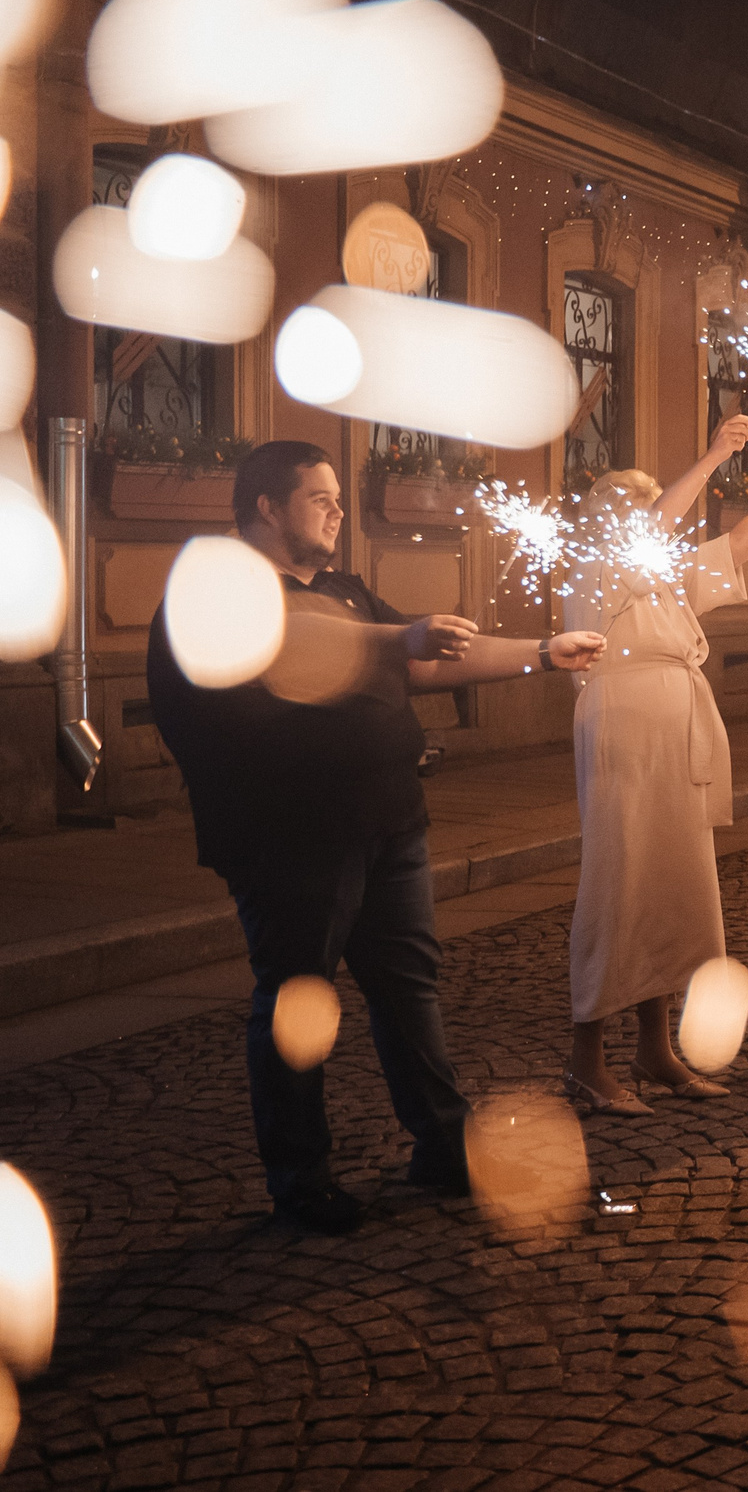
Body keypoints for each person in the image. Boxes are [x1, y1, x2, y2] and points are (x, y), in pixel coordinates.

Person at [146, 440, 607, 1234]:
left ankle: (441, 1143)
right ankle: (301, 1177)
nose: (337, 511)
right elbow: (297, 649)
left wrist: (539, 654)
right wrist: (399, 640)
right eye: (319, 498)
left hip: (388, 822)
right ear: (267, 507)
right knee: (297, 1000)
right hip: (289, 838)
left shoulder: (343, 587)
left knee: (408, 987)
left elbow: (427, 662)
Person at [559, 416, 748, 1114]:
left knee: (670, 882)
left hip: (674, 723)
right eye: (643, 510)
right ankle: (585, 1060)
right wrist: (714, 452)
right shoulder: (594, 566)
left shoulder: (660, 578)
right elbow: (659, 522)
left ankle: (655, 1050)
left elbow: (738, 547)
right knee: (619, 883)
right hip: (624, 723)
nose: (660, 522)